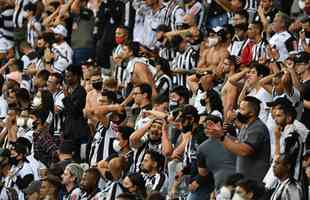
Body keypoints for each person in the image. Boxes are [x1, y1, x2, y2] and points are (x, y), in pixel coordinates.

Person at [207, 96, 271, 182]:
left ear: (251, 113)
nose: (238, 112)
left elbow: (244, 151)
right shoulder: (246, 125)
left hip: (255, 183)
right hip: (244, 181)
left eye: (242, 109)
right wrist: (222, 134)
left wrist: (222, 136)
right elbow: (238, 143)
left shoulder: (257, 128)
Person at [62, 64, 90, 162]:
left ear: (76, 76)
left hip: (77, 132)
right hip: (69, 130)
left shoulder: (81, 92)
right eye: (66, 76)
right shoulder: (71, 92)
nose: (67, 79)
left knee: (77, 160)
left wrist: (66, 96)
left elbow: (74, 111)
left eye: (69, 76)